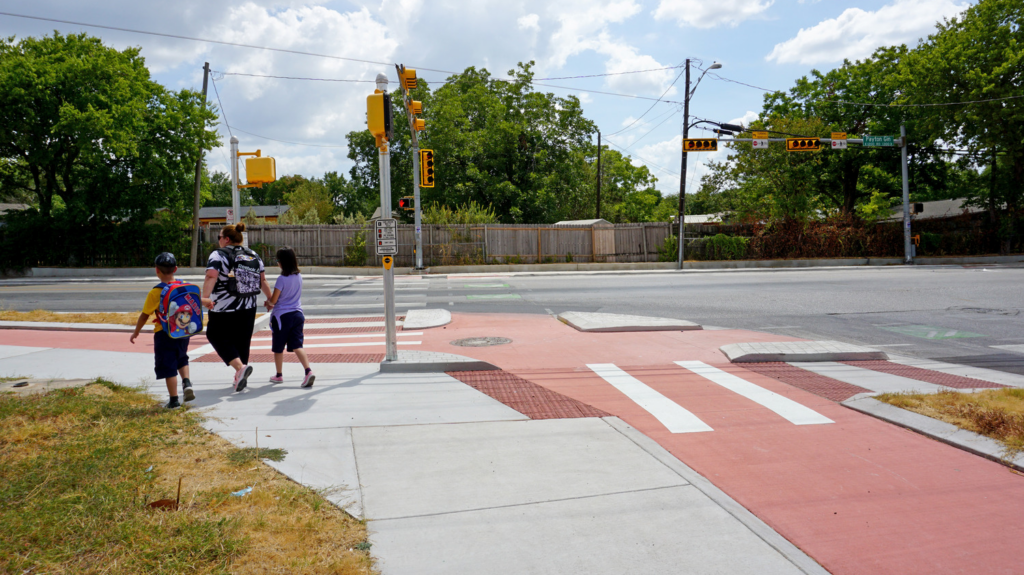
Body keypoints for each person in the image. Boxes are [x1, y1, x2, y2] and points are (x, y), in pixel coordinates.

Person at [201, 222, 273, 392]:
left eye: (219, 237)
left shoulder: (218, 255)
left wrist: (205, 298)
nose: (218, 240)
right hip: (248, 306)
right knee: (242, 341)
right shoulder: (253, 254)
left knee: (215, 334)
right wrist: (270, 299)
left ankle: (240, 369)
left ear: (226, 239)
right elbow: (262, 280)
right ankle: (240, 374)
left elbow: (211, 276)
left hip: (224, 306)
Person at [131, 252, 194, 408]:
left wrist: (136, 331)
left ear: (156, 270)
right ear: (176, 269)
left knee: (168, 366)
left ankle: (174, 400)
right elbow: (197, 300)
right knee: (182, 358)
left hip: (164, 333)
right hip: (182, 331)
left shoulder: (155, 292)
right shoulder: (183, 285)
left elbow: (145, 315)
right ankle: (186, 381)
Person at [265, 247, 315, 388]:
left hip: (282, 317)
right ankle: (308, 371)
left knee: (278, 347)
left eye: (278, 260)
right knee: (297, 345)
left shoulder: (281, 279)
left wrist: (268, 303)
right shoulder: (299, 277)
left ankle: (279, 375)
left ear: (282, 262)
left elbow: (274, 301)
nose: (277, 263)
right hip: (298, 314)